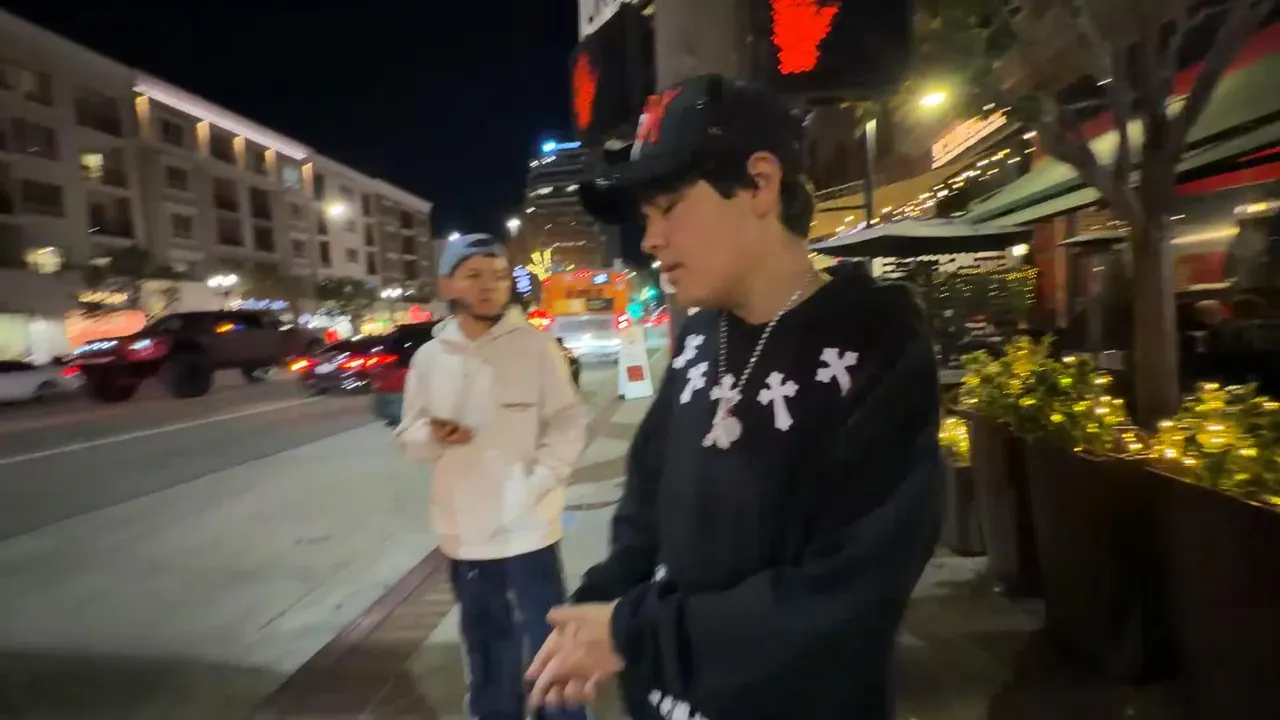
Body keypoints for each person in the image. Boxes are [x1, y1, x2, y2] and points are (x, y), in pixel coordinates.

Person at [524, 74, 943, 719]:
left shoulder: (875, 341)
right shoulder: (699, 335)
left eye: (669, 208)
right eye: (646, 218)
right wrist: (595, 610)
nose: (650, 240)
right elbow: (645, 514)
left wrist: (634, 632)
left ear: (760, 184)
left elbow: (848, 597)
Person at [395, 233, 588, 720]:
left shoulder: (537, 348)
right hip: (466, 536)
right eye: (474, 275)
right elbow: (410, 436)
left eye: (499, 276)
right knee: (487, 649)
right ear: (447, 284)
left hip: (530, 533)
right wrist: (433, 434)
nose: (489, 286)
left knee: (549, 649)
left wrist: (535, 484)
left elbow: (567, 425)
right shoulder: (429, 359)